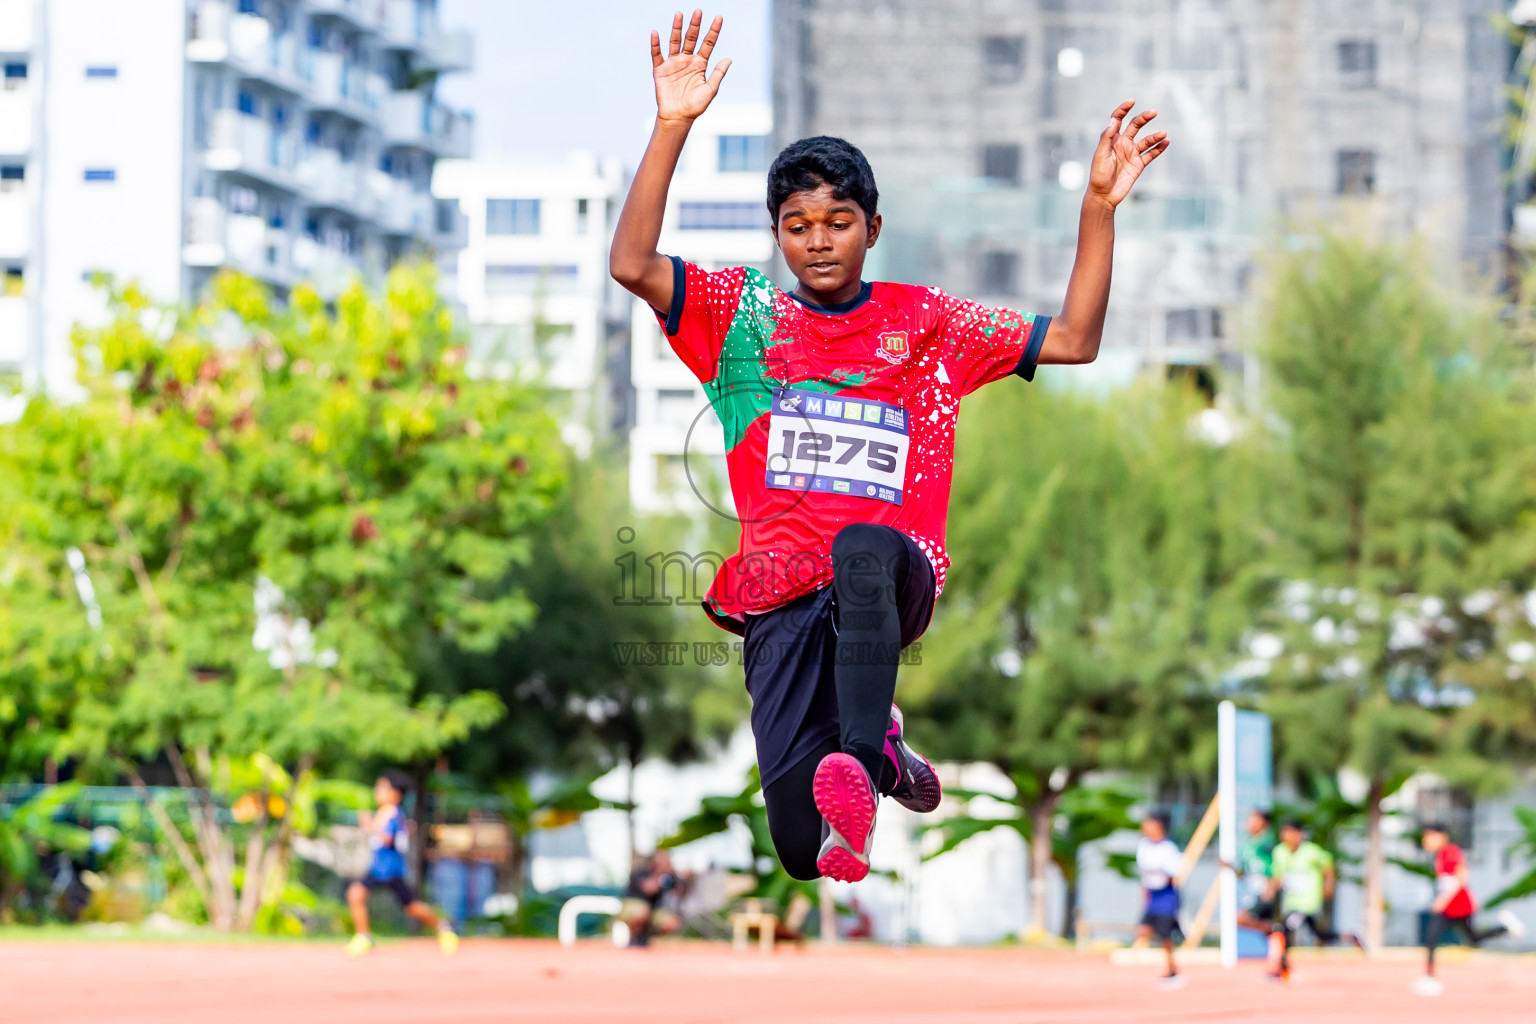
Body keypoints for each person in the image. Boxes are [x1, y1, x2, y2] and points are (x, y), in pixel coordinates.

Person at [609, 10, 1168, 884]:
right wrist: (673, 124)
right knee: (800, 850)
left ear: (873, 226)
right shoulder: (741, 318)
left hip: (888, 575)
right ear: (777, 234)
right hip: (777, 598)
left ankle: (864, 763)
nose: (819, 239)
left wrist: (1096, 209)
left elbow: (1074, 339)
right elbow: (632, 263)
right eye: (798, 225)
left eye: (839, 220)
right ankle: (879, 759)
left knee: (862, 548)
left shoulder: (930, 322)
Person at [345, 770, 458, 957]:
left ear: (395, 794)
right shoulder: (387, 812)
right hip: (380, 867)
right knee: (359, 895)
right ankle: (364, 936)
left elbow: (388, 839)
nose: (378, 791)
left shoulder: (392, 812)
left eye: (383, 788)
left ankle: (443, 928)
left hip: (388, 868)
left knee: (410, 906)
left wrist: (369, 825)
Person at [1414, 822, 1526, 996]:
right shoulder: (1439, 856)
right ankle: (1429, 976)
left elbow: (1461, 876)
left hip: (1460, 907)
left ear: (1441, 837)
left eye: (1428, 837)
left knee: (1464, 938)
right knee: (1440, 937)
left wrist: (1443, 900)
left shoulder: (1450, 851)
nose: (1425, 841)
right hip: (1450, 908)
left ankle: (1505, 929)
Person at [1263, 820, 1360, 981]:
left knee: (1285, 928)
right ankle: (1350, 937)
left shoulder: (1312, 852)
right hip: (1291, 901)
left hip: (1307, 902)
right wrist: (1270, 890)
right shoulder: (1280, 852)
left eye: (1289, 832)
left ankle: (1283, 967)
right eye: (1283, 832)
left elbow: (1327, 865)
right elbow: (1278, 875)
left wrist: (1329, 884)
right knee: (1319, 934)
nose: (1285, 836)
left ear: (1299, 834)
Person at [1135, 812, 1186, 989]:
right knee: (1143, 930)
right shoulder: (1143, 846)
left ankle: (1173, 969)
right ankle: (1167, 963)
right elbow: (1144, 875)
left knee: (1165, 936)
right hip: (1153, 895)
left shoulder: (1169, 849)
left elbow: (1174, 875)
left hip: (1166, 895)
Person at [1228, 808, 1280, 959]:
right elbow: (1243, 873)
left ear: (1263, 822)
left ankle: (1276, 930)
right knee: (1263, 928)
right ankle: (1279, 961)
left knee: (1242, 919)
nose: (1248, 823)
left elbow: (1278, 862)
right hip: (1252, 891)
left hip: (1264, 888)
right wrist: (1229, 866)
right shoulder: (1247, 846)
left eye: (1253, 819)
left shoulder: (1267, 841)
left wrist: (1271, 886)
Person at [619, 849, 683, 947]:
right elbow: (649, 888)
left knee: (672, 923)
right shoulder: (641, 872)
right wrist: (659, 872)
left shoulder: (668, 875)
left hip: (653, 911)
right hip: (632, 907)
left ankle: (645, 936)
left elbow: (680, 892)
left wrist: (673, 873)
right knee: (643, 911)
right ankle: (634, 936)